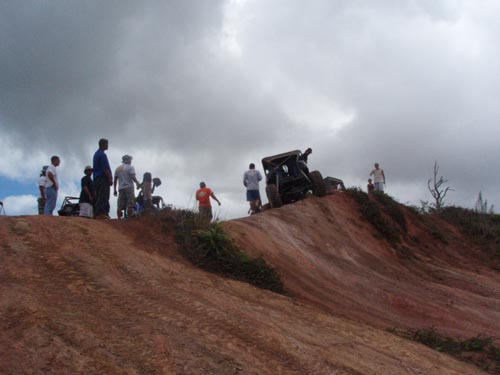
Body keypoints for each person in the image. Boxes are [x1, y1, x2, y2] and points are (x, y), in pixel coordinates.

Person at [93, 138, 113, 219]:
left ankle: (97, 212)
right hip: (102, 178)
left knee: (98, 195)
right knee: (103, 195)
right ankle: (101, 213)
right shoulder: (102, 155)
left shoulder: (96, 154)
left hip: (96, 178)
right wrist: (109, 178)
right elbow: (105, 168)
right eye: (106, 144)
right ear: (103, 144)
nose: (107, 145)